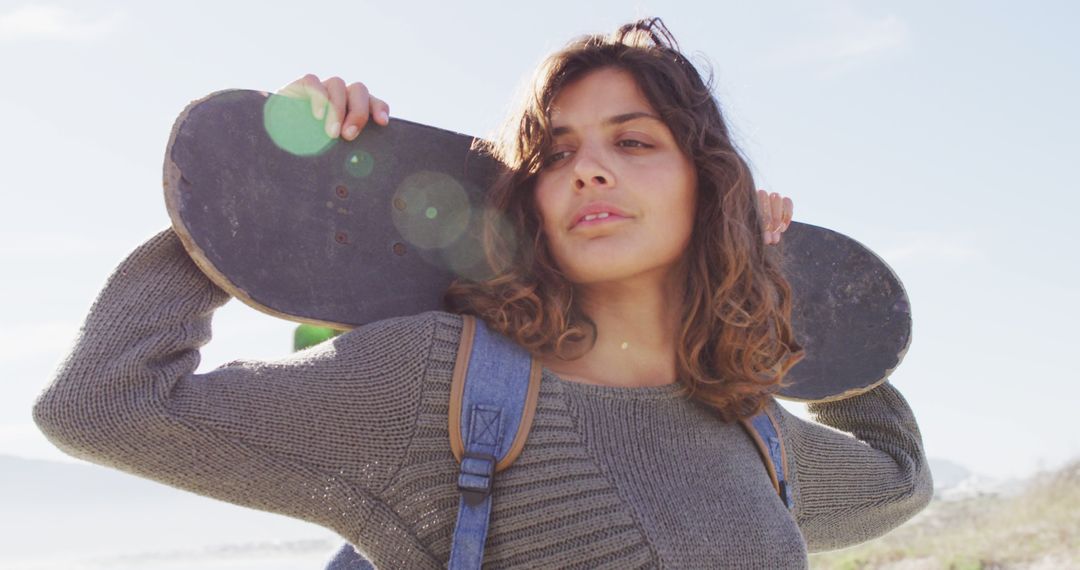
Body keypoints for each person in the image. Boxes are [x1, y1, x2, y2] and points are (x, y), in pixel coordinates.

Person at [33, 17, 932, 569]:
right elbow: (102, 405)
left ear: (708, 186)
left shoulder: (751, 427)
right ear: (528, 200)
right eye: (555, 154)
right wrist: (253, 203)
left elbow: (899, 478)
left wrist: (787, 292)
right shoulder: (437, 387)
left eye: (635, 142)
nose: (589, 173)